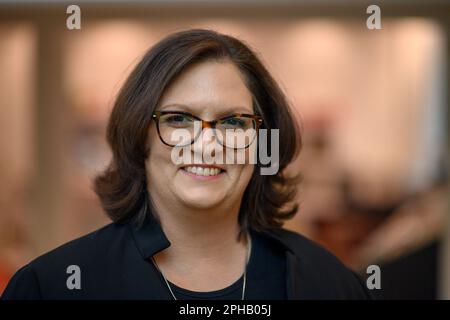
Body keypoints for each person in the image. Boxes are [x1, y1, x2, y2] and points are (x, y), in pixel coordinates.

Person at [1, 29, 371, 300]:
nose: (206, 144)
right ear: (139, 136)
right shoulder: (49, 287)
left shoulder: (332, 285)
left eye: (232, 122)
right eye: (179, 119)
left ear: (262, 143)